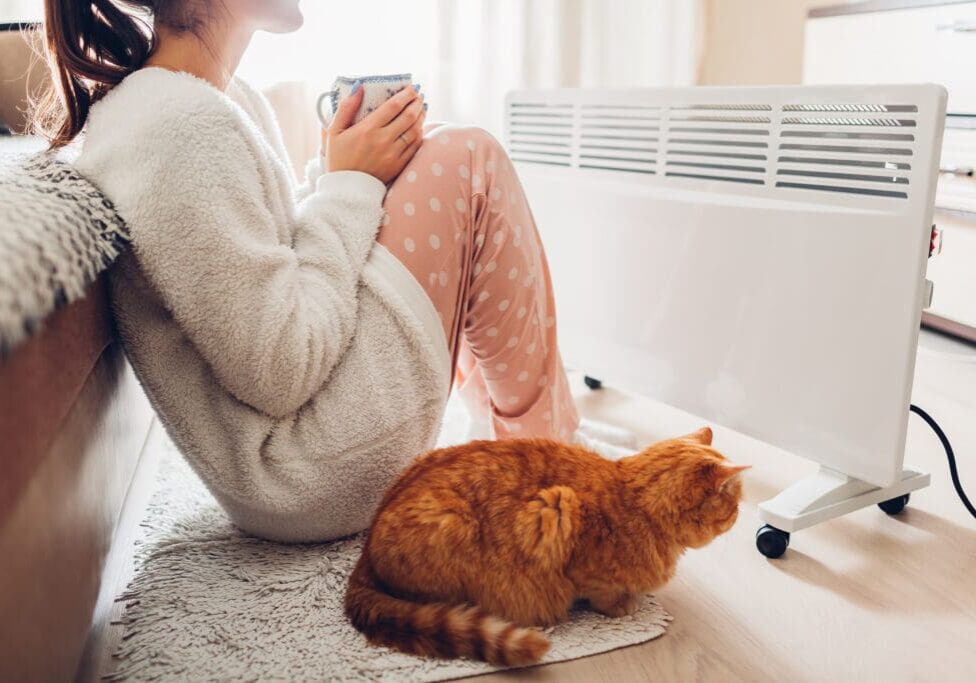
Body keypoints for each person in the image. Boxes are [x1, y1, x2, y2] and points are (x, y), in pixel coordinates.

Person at [33, 0, 629, 542]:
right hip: (305, 471)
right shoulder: (179, 128)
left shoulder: (211, 102)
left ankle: (534, 443)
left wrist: (340, 173)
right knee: (466, 157)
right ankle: (555, 471)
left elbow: (276, 264)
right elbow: (282, 370)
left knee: (444, 151)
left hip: (307, 455)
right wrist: (348, 185)